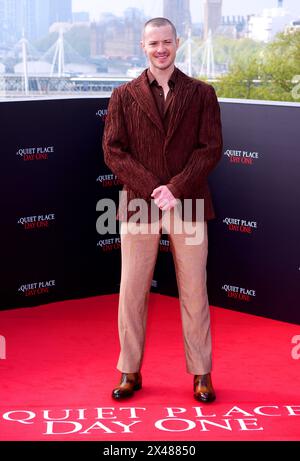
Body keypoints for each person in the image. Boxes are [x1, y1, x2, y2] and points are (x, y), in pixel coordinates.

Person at [102, 17, 223, 402]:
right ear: (143, 46)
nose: (161, 49)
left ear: (177, 43)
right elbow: (113, 150)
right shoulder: (123, 95)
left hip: (188, 201)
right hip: (140, 204)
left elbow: (210, 148)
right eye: (153, 43)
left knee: (194, 292)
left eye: (167, 42)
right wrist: (154, 188)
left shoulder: (202, 93)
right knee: (132, 291)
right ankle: (129, 371)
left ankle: (201, 373)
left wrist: (175, 188)